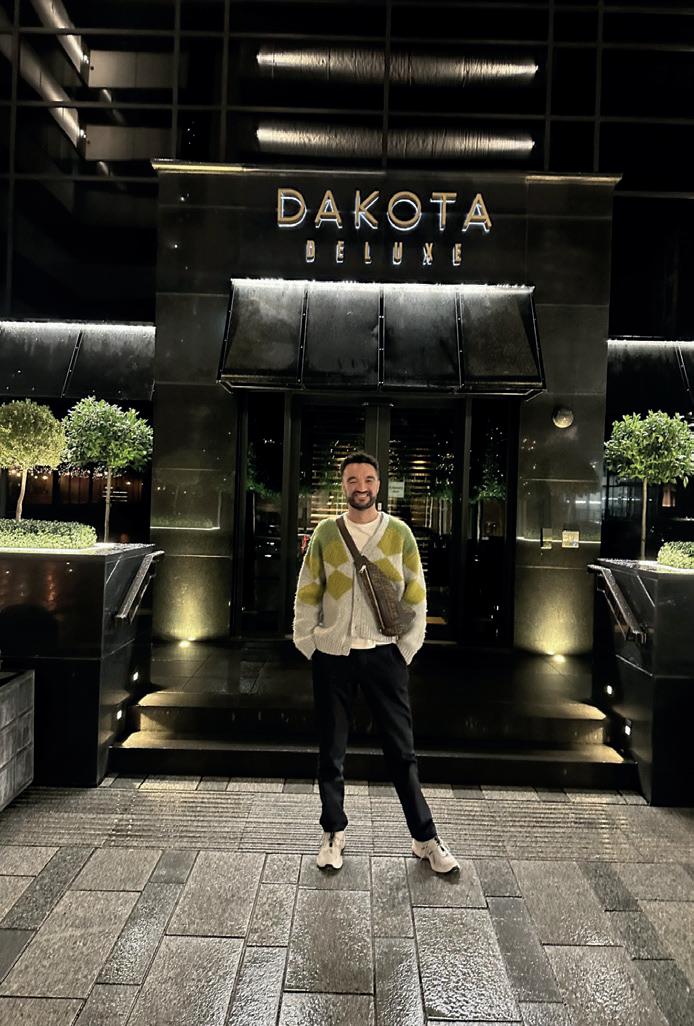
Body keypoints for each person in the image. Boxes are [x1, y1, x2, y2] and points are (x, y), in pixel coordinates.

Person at [293, 450, 459, 874]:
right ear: (343, 485)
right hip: (333, 657)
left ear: (378, 485)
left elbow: (416, 595)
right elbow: (308, 590)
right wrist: (309, 643)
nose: (360, 487)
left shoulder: (399, 533)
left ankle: (425, 837)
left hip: (385, 655)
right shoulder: (327, 533)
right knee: (331, 751)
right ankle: (333, 831)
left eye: (368, 479)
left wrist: (405, 649)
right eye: (352, 480)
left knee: (402, 752)